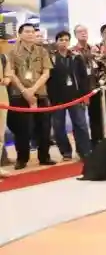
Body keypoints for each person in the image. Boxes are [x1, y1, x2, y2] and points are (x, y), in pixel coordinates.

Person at [7, 23, 56, 169]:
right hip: (19, 94)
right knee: (22, 129)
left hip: (40, 93)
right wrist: (25, 91)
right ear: (20, 34)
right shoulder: (12, 52)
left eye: (33, 32)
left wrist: (33, 89)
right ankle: (22, 159)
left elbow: (46, 72)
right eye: (27, 32)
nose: (30, 34)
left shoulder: (42, 51)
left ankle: (44, 157)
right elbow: (11, 74)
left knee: (44, 128)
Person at [48, 31, 92, 160]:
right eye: (61, 40)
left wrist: (85, 95)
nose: (64, 42)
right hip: (57, 98)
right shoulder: (51, 58)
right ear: (56, 42)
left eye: (66, 40)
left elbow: (84, 78)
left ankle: (84, 151)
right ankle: (66, 152)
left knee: (81, 125)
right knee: (58, 127)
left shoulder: (76, 57)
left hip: (75, 96)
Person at [73, 24, 103, 146]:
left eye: (85, 31)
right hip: (80, 90)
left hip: (95, 87)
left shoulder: (94, 49)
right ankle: (83, 147)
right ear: (75, 35)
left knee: (96, 117)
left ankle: (98, 143)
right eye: (80, 31)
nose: (83, 33)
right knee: (80, 121)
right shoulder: (73, 52)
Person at [0, 50, 13, 179]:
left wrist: (7, 79)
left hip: (2, 97)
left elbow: (8, 75)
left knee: (0, 134)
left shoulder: (3, 57)